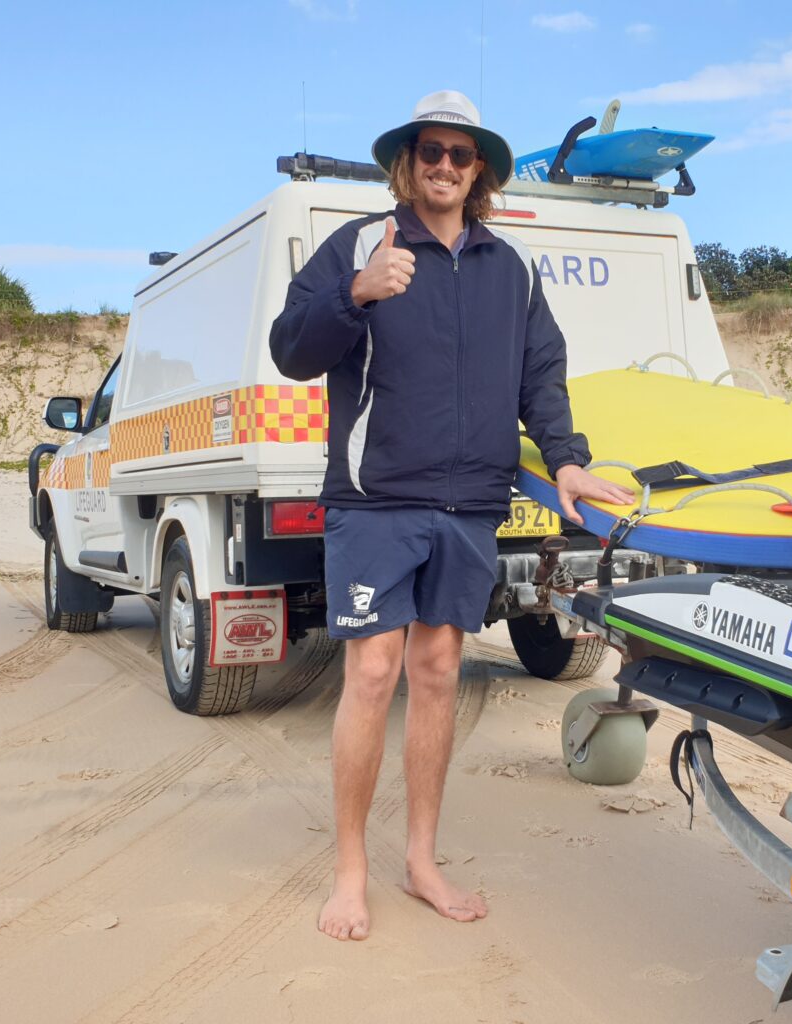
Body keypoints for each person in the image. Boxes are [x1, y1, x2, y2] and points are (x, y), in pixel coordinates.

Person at [269, 90, 633, 941]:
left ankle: (421, 861)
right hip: (376, 499)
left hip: (470, 502)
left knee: (437, 674)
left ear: (479, 172)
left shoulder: (510, 266)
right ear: (408, 162)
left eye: (459, 154)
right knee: (371, 675)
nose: (442, 165)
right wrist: (354, 294)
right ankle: (350, 874)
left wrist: (565, 458)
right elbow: (291, 350)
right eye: (429, 151)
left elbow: (539, 373)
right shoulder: (361, 245)